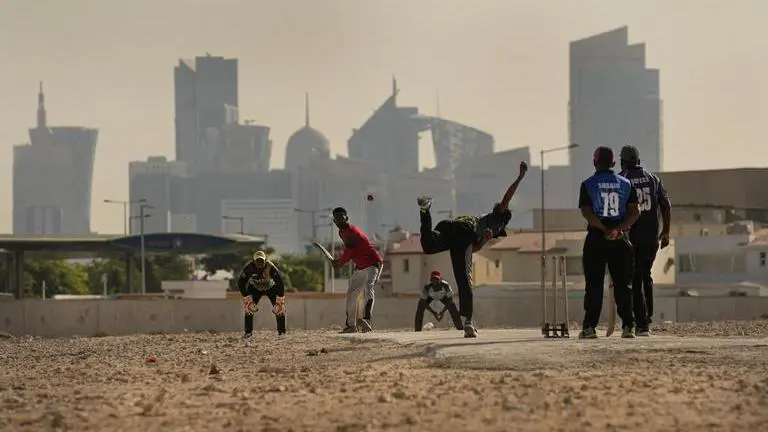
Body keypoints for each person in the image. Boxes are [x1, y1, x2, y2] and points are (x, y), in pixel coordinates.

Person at [417, 160, 528, 338]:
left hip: (449, 226)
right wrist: (520, 177)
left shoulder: (486, 225)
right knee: (465, 280)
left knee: (428, 245)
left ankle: (425, 210)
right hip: (463, 233)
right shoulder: (497, 217)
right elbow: (507, 198)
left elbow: (473, 248)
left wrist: (484, 240)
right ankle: (468, 321)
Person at [578, 146, 641, 339]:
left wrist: (604, 229)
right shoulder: (626, 184)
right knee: (623, 284)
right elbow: (635, 212)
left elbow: (587, 212)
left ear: (595, 162)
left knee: (594, 284)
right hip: (620, 238)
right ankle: (629, 326)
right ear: (613, 163)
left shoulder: (588, 184)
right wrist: (618, 229)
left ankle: (589, 328)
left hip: (597, 237)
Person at [619, 145, 671, 336]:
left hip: (631, 238)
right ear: (638, 160)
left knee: (635, 279)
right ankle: (647, 315)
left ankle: (641, 324)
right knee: (645, 274)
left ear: (623, 161)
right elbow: (666, 206)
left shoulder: (622, 178)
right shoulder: (652, 179)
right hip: (651, 237)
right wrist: (666, 231)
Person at [331, 207, 383, 334]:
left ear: (347, 218)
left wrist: (339, 263)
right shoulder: (341, 232)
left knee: (368, 288)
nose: (339, 220)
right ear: (334, 221)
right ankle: (351, 326)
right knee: (351, 294)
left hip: (373, 264)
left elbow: (350, 251)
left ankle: (367, 320)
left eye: (341, 217)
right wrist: (339, 261)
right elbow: (350, 251)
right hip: (360, 267)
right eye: (336, 218)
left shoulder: (353, 232)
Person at [236, 250, 287, 342]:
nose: (259, 263)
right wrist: (246, 297)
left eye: (261, 261)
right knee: (249, 308)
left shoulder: (271, 267)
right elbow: (241, 282)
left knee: (279, 309)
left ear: (265, 260)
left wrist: (280, 298)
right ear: (253, 261)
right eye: (257, 261)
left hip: (270, 287)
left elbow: (280, 282)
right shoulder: (249, 267)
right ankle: (248, 333)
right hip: (255, 288)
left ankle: (282, 333)